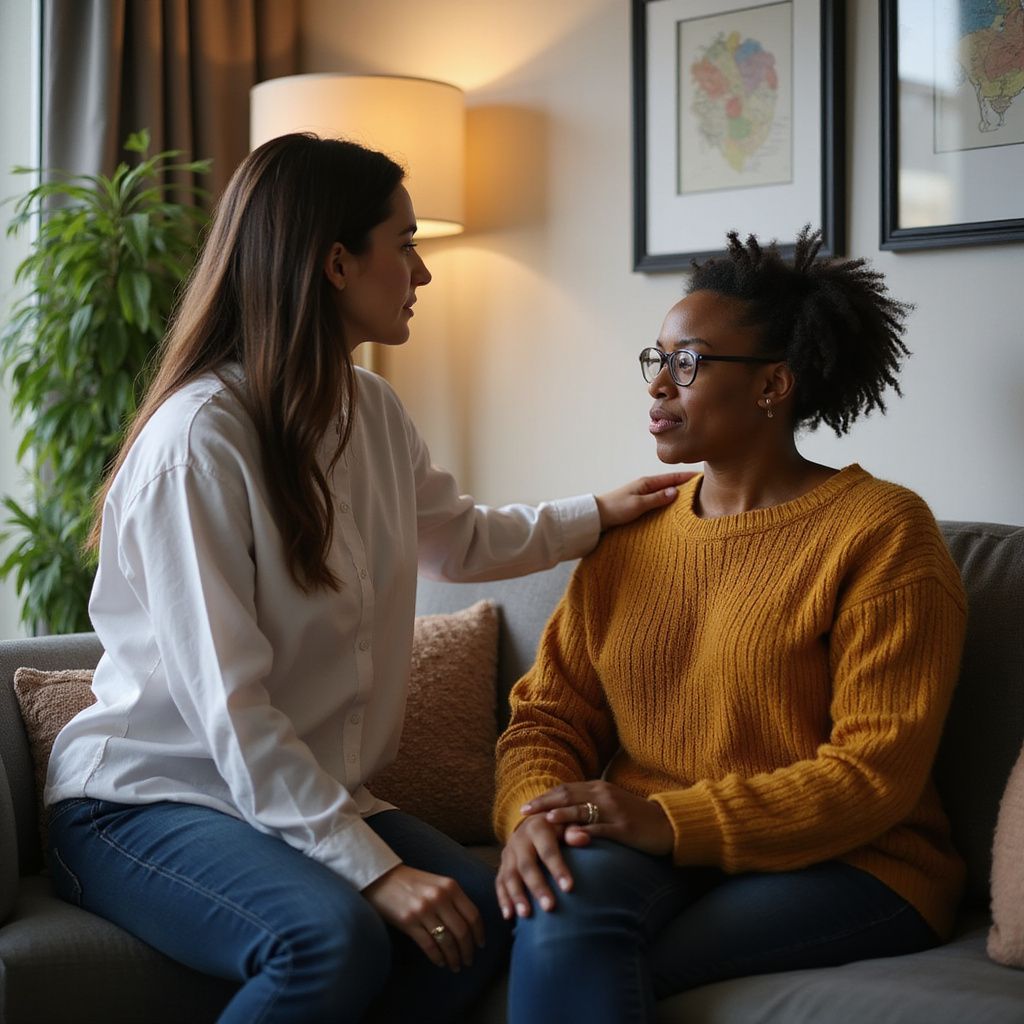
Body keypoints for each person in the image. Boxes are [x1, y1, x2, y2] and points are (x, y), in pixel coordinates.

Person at [43, 133, 691, 1024]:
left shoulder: (372, 412)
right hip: (147, 800)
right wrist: (376, 873)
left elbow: (458, 540)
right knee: (327, 937)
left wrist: (601, 512)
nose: (421, 272)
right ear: (337, 263)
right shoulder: (197, 444)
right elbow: (232, 711)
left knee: (495, 915)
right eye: (406, 243)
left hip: (294, 796)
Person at [493, 227, 968, 1023]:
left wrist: (666, 819)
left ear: (772, 384)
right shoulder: (632, 534)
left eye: (688, 363)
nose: (658, 386)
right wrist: (534, 817)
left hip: (855, 862)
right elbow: (547, 719)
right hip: (657, 845)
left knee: (571, 947)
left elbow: (873, 773)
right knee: (548, 909)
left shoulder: (882, 531)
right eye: (657, 360)